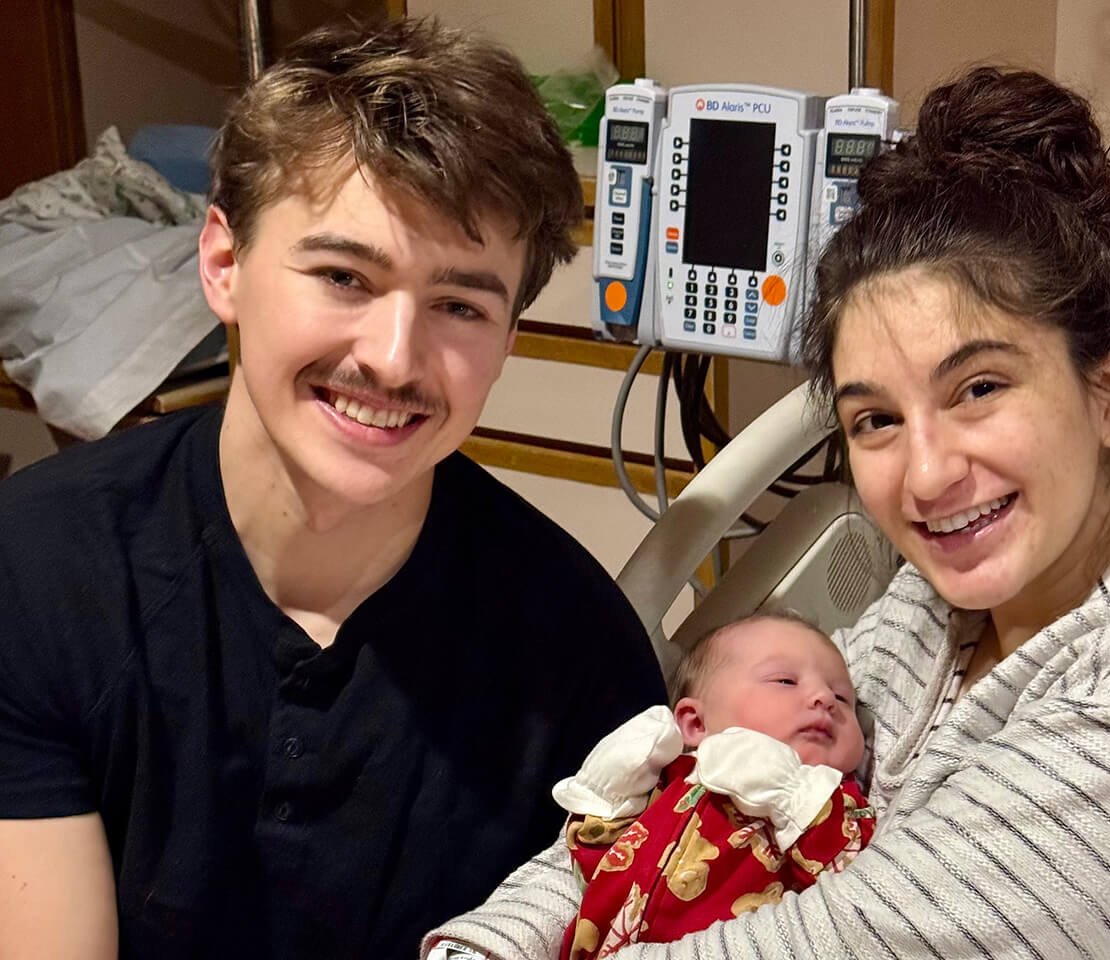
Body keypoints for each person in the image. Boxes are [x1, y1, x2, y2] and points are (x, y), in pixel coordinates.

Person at [424, 66, 1110, 959]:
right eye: (876, 419)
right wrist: (491, 943)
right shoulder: (935, 612)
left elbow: (853, 939)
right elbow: (659, 803)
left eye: (979, 388)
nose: (927, 472)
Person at [0, 18, 664, 960]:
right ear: (224, 263)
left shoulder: (575, 653)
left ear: (508, 336)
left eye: (460, 306)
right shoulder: (39, 573)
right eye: (345, 276)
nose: (393, 360)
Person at [549, 614, 875, 960]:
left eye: (843, 699)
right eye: (785, 681)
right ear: (695, 723)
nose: (823, 697)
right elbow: (595, 875)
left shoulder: (834, 803)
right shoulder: (671, 782)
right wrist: (606, 804)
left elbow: (853, 889)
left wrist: (797, 796)